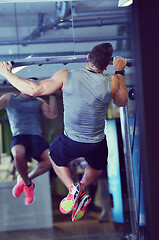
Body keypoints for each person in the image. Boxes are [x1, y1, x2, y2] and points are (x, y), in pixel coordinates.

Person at [0, 42, 128, 220]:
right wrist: (120, 72)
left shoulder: (66, 75)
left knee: (53, 156)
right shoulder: (112, 81)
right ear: (107, 66)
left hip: (71, 141)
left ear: (87, 58)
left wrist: (6, 73)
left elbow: (34, 89)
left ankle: (73, 189)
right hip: (96, 142)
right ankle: (81, 186)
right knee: (97, 167)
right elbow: (122, 102)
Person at [0, 90, 58, 205]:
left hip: (36, 137)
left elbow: (53, 114)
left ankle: (24, 181)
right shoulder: (10, 98)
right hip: (19, 136)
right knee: (18, 153)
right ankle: (27, 185)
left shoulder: (39, 102)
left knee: (51, 159)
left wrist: (52, 94)